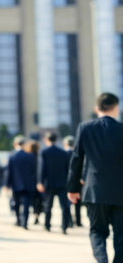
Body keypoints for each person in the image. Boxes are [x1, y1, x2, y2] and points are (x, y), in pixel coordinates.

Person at [68, 93, 123, 264]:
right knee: (121, 236)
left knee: (97, 232)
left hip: (94, 190)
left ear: (97, 108)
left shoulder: (85, 128)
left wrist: (73, 188)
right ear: (116, 108)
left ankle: (102, 260)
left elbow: (77, 160)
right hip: (121, 192)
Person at [38, 132, 71, 235]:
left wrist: (40, 182)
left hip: (49, 183)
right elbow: (68, 169)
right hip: (63, 183)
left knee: (48, 205)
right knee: (64, 206)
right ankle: (64, 226)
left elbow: (42, 168)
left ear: (46, 139)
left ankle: (47, 225)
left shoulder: (44, 152)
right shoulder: (63, 152)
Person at [6, 136, 36, 230]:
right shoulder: (30, 156)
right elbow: (34, 171)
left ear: (15, 144)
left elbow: (9, 172)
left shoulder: (12, 156)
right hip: (28, 184)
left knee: (16, 203)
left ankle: (18, 220)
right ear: (24, 144)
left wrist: (7, 184)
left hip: (16, 184)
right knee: (27, 205)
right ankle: (25, 222)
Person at [64, 135, 83, 228]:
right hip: (78, 180)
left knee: (67, 203)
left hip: (66, 180)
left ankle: (70, 221)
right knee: (77, 203)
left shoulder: (63, 154)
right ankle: (78, 221)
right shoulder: (78, 153)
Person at [24, 140, 44, 225]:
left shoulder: (27, 156)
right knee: (39, 201)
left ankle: (33, 215)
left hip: (30, 183)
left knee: (31, 201)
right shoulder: (40, 156)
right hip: (40, 182)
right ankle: (37, 215)